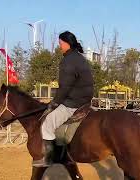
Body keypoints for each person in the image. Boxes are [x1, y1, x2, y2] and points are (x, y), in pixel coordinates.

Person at [39, 31, 94, 166]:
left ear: (67, 43)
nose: (59, 46)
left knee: (47, 123)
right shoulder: (80, 58)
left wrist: (54, 103)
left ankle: (52, 157)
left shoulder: (68, 61)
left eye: (60, 43)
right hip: (85, 100)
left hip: (73, 103)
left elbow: (64, 87)